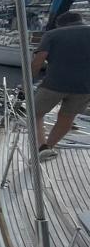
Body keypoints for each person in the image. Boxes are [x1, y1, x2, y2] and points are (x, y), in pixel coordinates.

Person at [31, 9, 90, 159]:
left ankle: (42, 147)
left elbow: (38, 62)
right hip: (84, 88)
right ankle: (49, 146)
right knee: (67, 118)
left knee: (35, 114)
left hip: (54, 84)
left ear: (60, 24)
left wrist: (26, 84)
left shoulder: (52, 34)